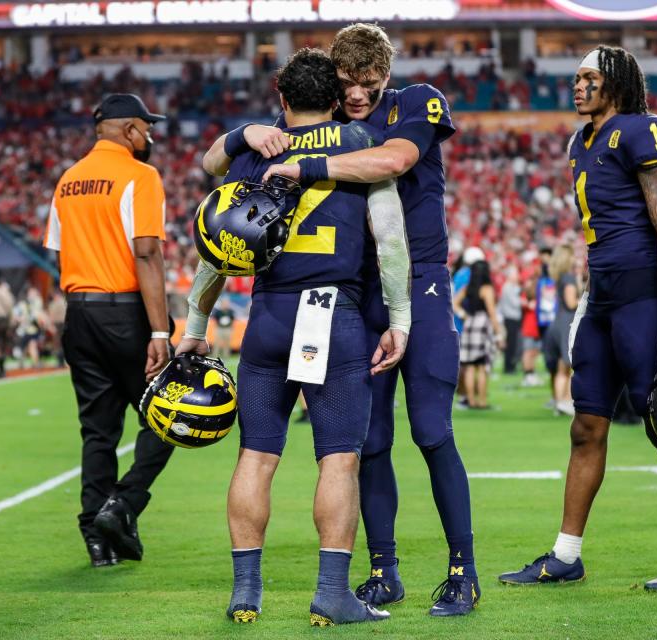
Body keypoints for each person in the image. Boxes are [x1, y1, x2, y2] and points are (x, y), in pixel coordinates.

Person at [206, 23, 480, 616]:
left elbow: (395, 158)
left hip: (409, 280)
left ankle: (463, 570)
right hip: (350, 296)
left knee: (430, 430)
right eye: (347, 83)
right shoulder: (326, 132)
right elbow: (379, 223)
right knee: (365, 442)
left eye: (369, 82)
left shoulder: (408, 105)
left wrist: (267, 149)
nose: (358, 93)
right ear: (332, 85)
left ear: (387, 76)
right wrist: (249, 132)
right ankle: (380, 571)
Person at [178, 48, 411, 626]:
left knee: (256, 457)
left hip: (270, 317)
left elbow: (218, 250)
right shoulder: (357, 143)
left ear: (281, 96)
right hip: (334, 315)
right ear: (335, 96)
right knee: (338, 461)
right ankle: (331, 593)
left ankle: (245, 592)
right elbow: (389, 239)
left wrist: (195, 326)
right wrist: (400, 320)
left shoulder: (259, 149)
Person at [498, 45, 657, 591]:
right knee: (586, 425)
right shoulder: (581, 141)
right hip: (601, 298)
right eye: (575, 78)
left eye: (588, 78)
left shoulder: (642, 129)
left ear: (616, 82)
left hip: (643, 295)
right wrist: (585, 300)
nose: (577, 87)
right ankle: (566, 554)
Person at [43, 92, 174, 568]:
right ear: (129, 131)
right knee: (168, 415)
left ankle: (96, 540)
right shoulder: (141, 176)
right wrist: (159, 332)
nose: (152, 135)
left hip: (79, 312)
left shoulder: (68, 180)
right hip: (127, 313)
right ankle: (124, 504)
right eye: (147, 127)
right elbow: (147, 253)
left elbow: (59, 251)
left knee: (97, 432)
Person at [453, 259, 504, 409]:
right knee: (482, 365)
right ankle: (481, 401)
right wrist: (499, 334)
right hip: (483, 324)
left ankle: (471, 400)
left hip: (469, 324)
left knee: (469, 366)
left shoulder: (467, 287)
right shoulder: (487, 289)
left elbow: (454, 303)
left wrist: (464, 315)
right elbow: (492, 313)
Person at [542, 244, 579, 416]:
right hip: (567, 322)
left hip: (557, 321)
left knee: (560, 366)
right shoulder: (569, 278)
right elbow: (571, 303)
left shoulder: (558, 277)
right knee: (569, 365)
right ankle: (566, 400)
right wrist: (587, 301)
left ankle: (559, 402)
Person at [499, 266, 524, 374]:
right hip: (510, 319)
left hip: (514, 319)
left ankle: (511, 366)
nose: (517, 277)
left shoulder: (513, 286)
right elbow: (515, 302)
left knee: (514, 344)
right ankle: (508, 367)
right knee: (510, 345)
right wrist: (525, 302)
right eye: (515, 275)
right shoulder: (507, 287)